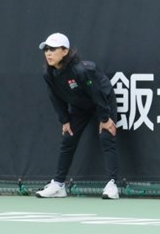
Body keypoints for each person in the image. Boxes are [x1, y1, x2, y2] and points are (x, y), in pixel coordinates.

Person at [35, 32, 122, 200]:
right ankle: (58, 185)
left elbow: (97, 93)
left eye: (53, 49)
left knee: (106, 137)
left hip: (102, 101)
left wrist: (104, 118)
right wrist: (65, 120)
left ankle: (112, 185)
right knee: (69, 139)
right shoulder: (49, 74)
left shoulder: (82, 70)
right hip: (80, 106)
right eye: (46, 49)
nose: (48, 53)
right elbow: (55, 96)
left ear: (65, 51)